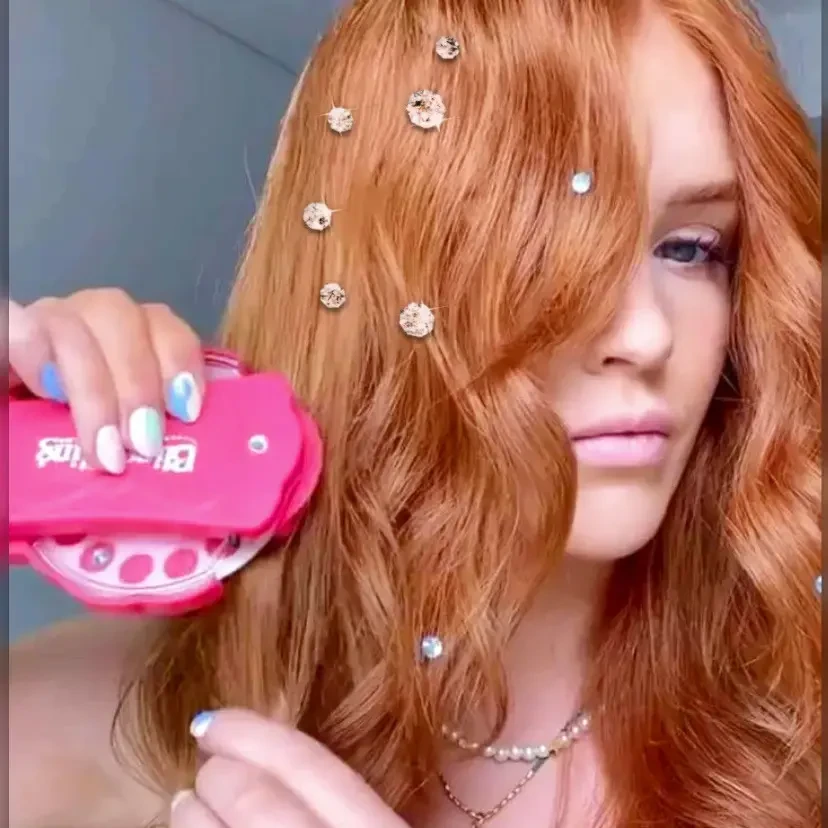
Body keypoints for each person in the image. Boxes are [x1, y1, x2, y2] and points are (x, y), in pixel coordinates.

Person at [9, 0, 821, 826]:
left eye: (690, 248)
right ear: (366, 292)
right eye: (534, 245)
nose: (647, 335)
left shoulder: (796, 718)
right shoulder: (87, 734)